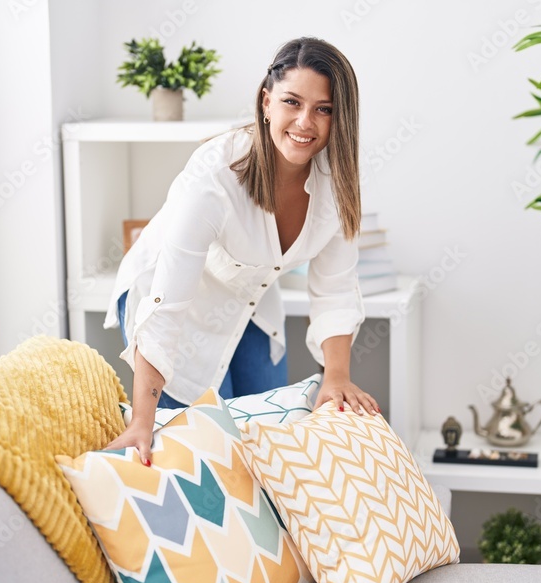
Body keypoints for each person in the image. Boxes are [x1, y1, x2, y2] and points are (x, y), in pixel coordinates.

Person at [102, 37, 378, 460]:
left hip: (251, 304)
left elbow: (336, 288)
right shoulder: (215, 175)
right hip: (172, 302)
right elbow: (166, 307)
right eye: (291, 102)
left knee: (272, 444)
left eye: (324, 109)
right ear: (266, 102)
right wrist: (143, 421)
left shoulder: (337, 180)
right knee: (208, 451)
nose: (305, 122)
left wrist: (336, 376)